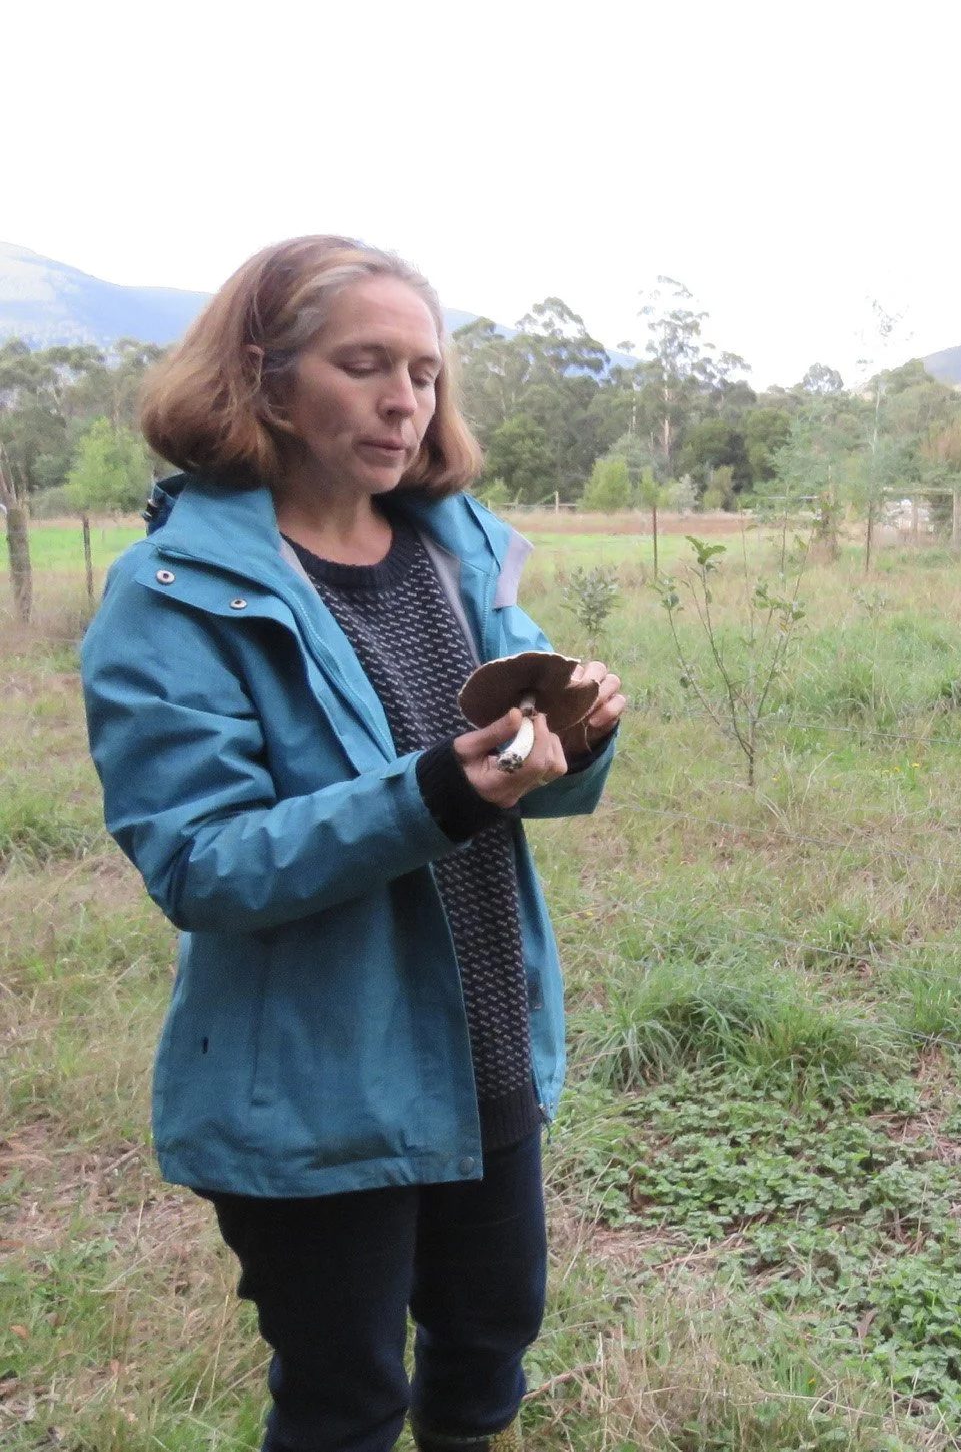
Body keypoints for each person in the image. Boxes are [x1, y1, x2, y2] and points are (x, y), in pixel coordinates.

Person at [80, 236, 627, 1452]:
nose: (404, 400)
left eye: (425, 372)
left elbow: (514, 769)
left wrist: (572, 741)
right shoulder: (177, 593)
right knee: (345, 1402)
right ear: (264, 377)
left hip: (487, 1043)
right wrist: (436, 787)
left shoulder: (458, 546)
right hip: (316, 1085)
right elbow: (200, 862)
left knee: (487, 1361)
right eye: (364, 363)